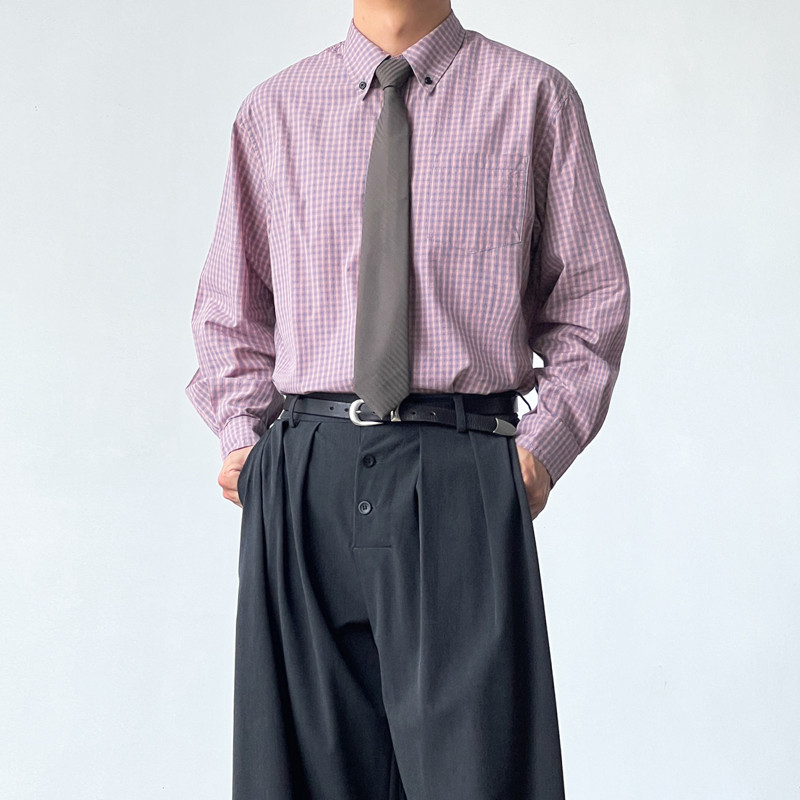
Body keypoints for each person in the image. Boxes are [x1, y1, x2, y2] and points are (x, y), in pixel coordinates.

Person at [185, 1, 630, 797]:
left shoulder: (533, 99)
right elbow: (231, 308)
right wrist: (243, 438)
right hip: (307, 471)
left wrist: (539, 453)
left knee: (476, 775)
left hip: (459, 466)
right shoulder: (274, 110)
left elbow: (590, 301)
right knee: (299, 776)